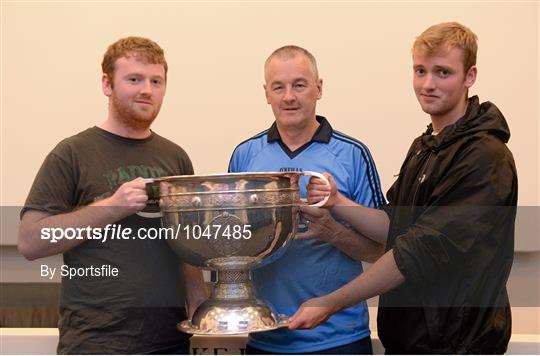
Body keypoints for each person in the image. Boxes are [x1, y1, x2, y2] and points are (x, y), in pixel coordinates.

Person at [289, 22, 518, 354]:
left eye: (443, 72)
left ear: (470, 76)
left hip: (457, 346)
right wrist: (337, 201)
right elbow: (393, 226)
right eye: (420, 70)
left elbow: (415, 252)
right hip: (411, 342)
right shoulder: (424, 147)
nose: (427, 84)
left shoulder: (484, 157)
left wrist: (331, 302)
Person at [18, 36, 207, 354]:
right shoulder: (72, 153)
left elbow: (185, 245)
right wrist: (111, 207)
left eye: (156, 81)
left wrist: (200, 307)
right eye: (134, 79)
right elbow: (30, 241)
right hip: (97, 341)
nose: (147, 89)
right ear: (107, 84)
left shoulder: (176, 158)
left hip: (170, 340)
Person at [228, 45, 385, 354]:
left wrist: (333, 231)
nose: (289, 96)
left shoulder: (353, 154)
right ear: (266, 93)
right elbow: (232, 243)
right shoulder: (245, 155)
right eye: (279, 87)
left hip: (340, 335)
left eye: (299, 84)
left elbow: (381, 249)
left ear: (319, 88)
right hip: (265, 333)